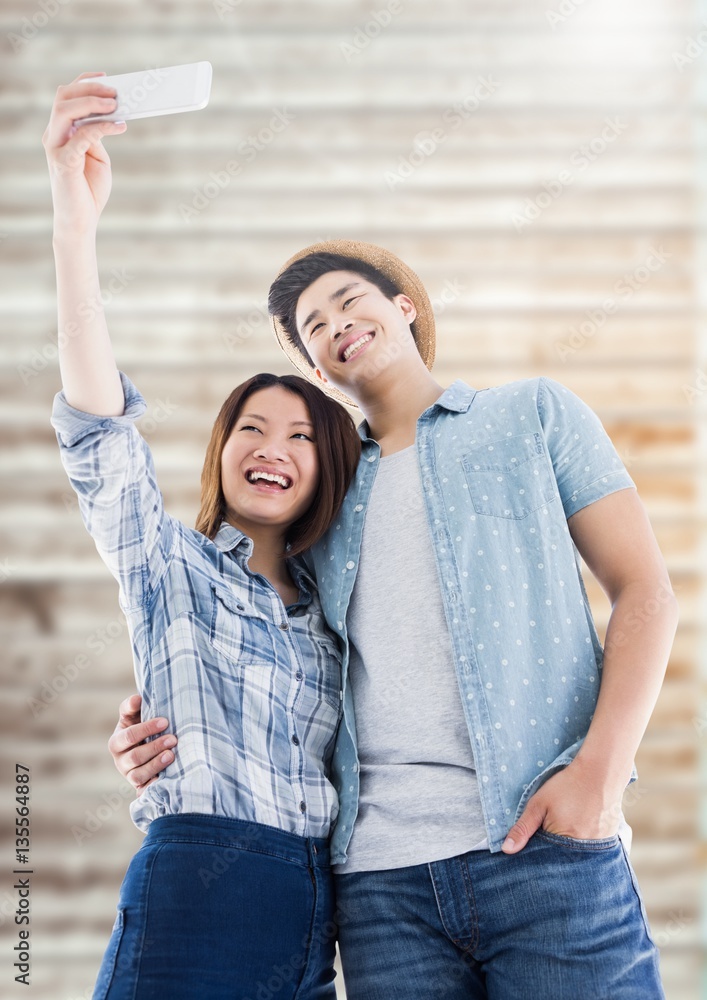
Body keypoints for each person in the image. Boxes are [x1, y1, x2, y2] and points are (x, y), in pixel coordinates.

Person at [110, 198, 678, 997]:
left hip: (546, 850)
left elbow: (646, 591)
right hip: (378, 888)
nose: (336, 324)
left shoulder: (532, 415)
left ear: (403, 308)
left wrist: (598, 776)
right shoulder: (323, 499)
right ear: (317, 369)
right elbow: (266, 640)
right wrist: (160, 721)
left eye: (350, 301)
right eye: (314, 327)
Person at [44, 75, 361, 1000]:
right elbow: (98, 425)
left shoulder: (338, 611)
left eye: (303, 436)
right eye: (252, 428)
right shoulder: (164, 560)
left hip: (325, 908)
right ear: (223, 450)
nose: (273, 449)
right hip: (201, 887)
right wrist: (75, 223)